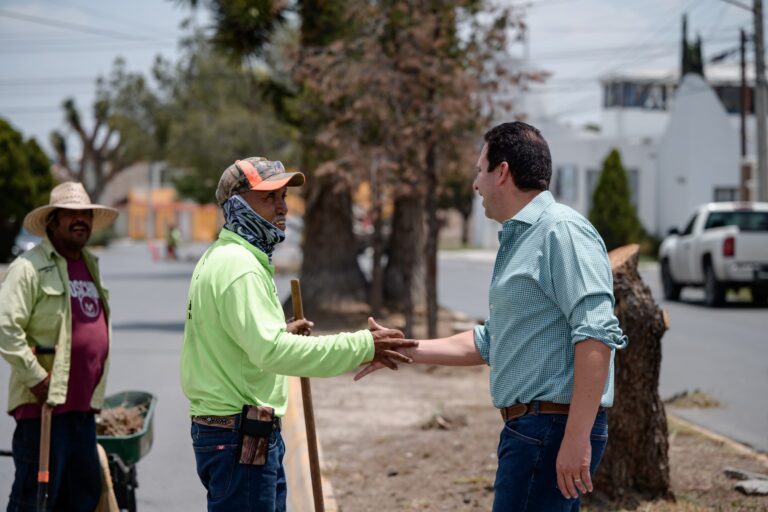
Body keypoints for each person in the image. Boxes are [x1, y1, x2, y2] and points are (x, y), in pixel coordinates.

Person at [357, 122, 628, 511]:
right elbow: (491, 342)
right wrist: (402, 349)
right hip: (531, 431)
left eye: (479, 170)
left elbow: (597, 335)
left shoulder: (561, 231)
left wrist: (575, 438)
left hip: (551, 430)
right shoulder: (521, 238)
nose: (474, 184)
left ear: (502, 172)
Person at [180, 157, 416, 512]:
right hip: (238, 436)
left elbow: (237, 340)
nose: (282, 207)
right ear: (237, 204)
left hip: (237, 433)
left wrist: (280, 331)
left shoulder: (228, 257)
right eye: (268, 197)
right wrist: (362, 345)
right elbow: (272, 352)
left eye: (284, 196)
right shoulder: (240, 267)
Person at [0, 182, 118, 511]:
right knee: (34, 501)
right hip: (44, 412)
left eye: (85, 214)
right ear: (52, 221)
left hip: (82, 412)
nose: (80, 220)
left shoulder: (90, 265)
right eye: (71, 214)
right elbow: (5, 328)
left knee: (80, 498)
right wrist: (37, 379)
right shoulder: (28, 268)